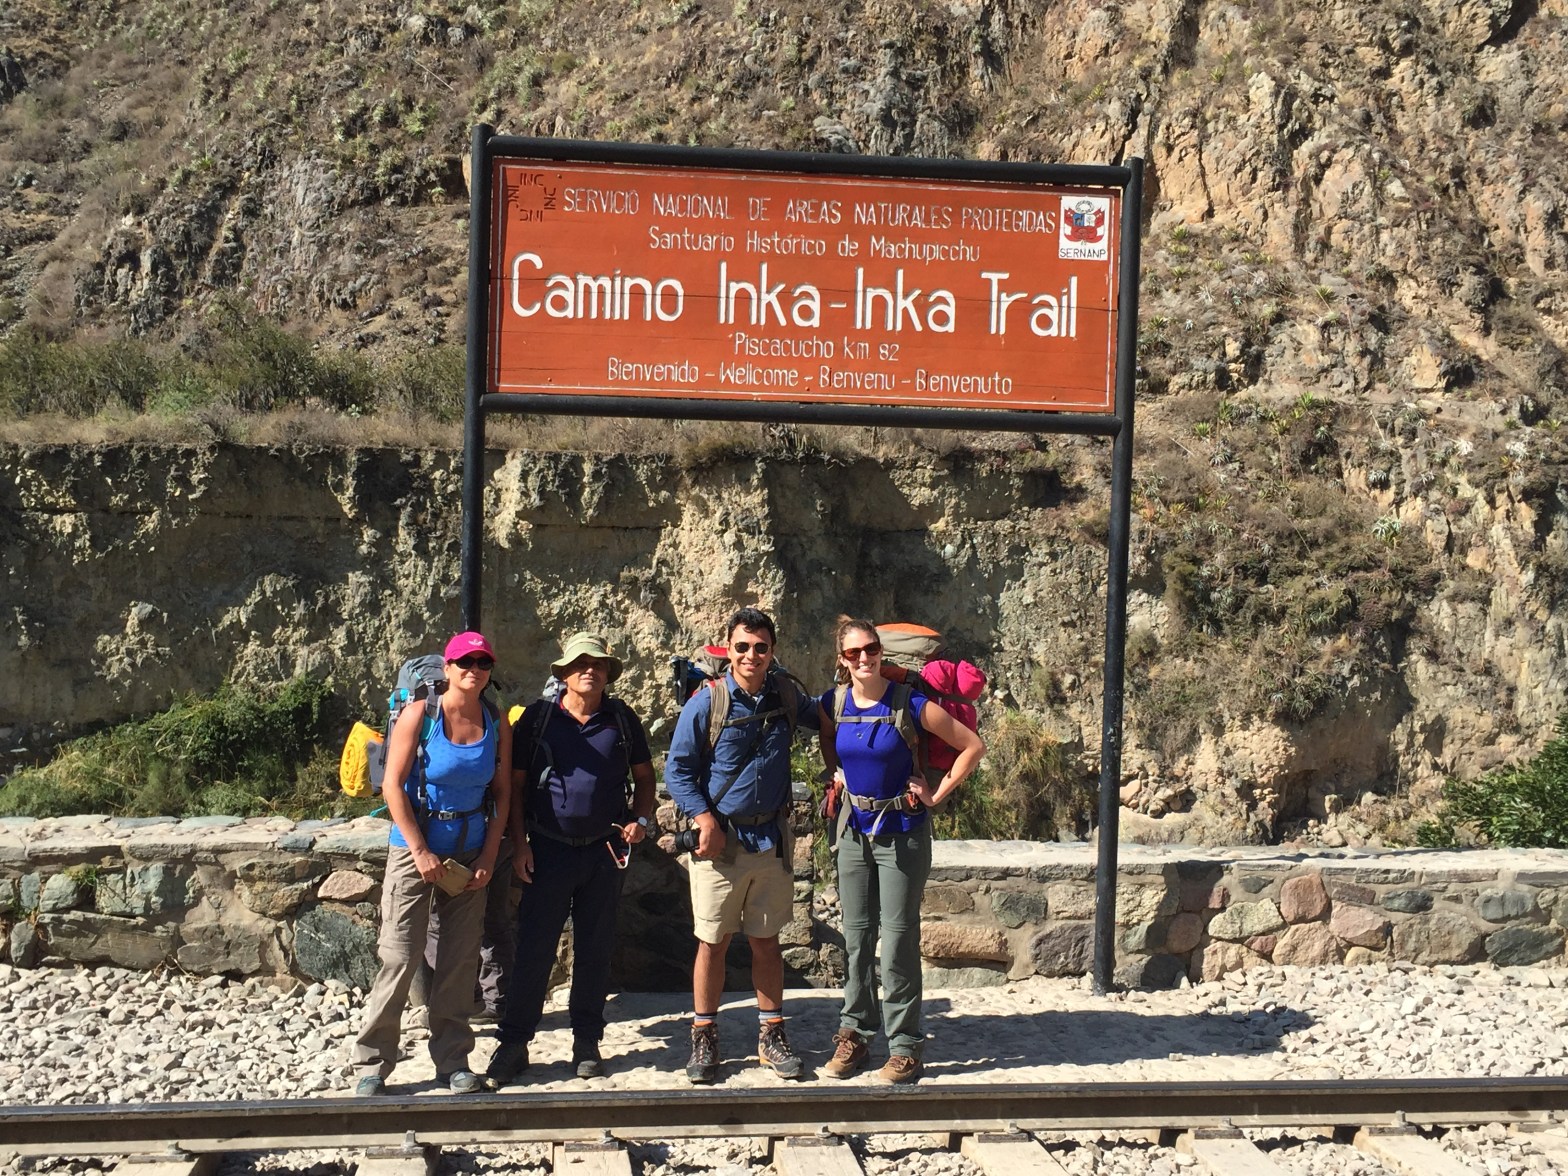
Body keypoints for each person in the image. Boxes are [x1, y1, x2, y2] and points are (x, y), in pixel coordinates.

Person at [485, 632, 656, 1086]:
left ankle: (586, 1042)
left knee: (595, 950)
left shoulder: (621, 720)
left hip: (604, 851)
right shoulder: (538, 719)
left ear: (607, 673)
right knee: (534, 949)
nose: (589, 671)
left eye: (597, 664)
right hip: (547, 849)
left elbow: (645, 778)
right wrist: (520, 845)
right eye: (580, 664)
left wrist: (640, 818)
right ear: (563, 673)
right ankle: (514, 1043)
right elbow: (515, 787)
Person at [818, 617, 984, 1084]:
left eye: (870, 649)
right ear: (842, 659)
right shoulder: (834, 703)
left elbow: (971, 746)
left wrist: (936, 793)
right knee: (856, 939)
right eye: (854, 653)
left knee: (897, 941)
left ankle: (905, 1046)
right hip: (853, 831)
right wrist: (835, 773)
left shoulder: (909, 702)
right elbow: (828, 738)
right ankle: (855, 1033)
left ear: (880, 651)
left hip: (902, 831)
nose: (864, 659)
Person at [352, 631, 512, 1096]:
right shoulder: (421, 715)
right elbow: (393, 786)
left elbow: (502, 794)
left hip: (468, 853)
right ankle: (372, 1063)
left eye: (483, 662)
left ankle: (453, 1061)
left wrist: (488, 856)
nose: (474, 670)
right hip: (413, 849)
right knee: (399, 957)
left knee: (459, 963)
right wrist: (420, 852)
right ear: (448, 668)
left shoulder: (495, 721)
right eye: (465, 661)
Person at [663, 606, 818, 1084]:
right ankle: (704, 1035)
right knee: (712, 942)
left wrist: (884, 683)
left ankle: (771, 1035)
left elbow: (829, 714)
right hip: (721, 844)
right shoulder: (707, 703)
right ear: (728, 649)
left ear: (773, 650)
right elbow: (677, 770)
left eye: (761, 647)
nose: (752, 655)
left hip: (770, 840)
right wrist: (704, 818)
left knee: (767, 942)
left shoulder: (786, 695)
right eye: (743, 647)